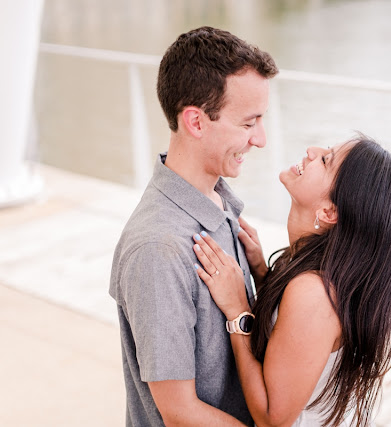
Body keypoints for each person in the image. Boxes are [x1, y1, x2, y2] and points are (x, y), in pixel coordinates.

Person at [109, 26, 278, 426]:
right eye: (249, 123)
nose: (262, 140)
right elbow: (180, 412)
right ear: (196, 122)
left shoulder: (220, 205)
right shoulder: (158, 249)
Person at [191, 135, 391, 426]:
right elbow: (289, 330)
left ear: (329, 212)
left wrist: (238, 312)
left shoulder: (316, 293)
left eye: (325, 160)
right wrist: (261, 271)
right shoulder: (313, 270)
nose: (311, 151)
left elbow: (273, 417)